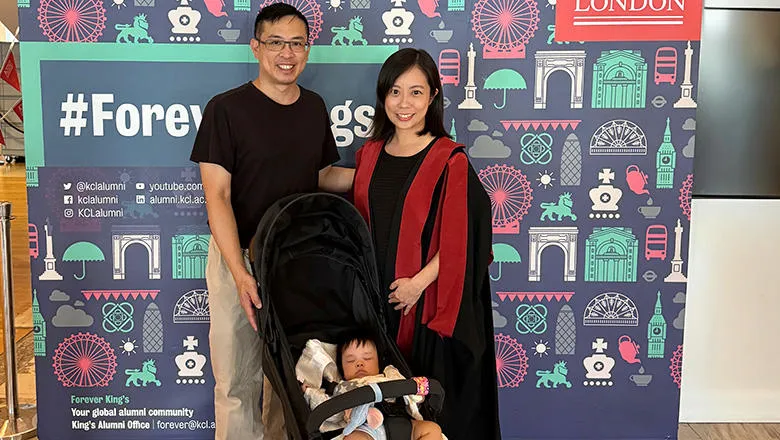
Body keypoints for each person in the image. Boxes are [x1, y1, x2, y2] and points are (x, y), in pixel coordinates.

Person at [190, 3, 352, 439]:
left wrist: (385, 174)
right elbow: (217, 196)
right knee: (237, 381)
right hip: (236, 258)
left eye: (297, 43)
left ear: (307, 49)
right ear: (256, 47)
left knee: (289, 380)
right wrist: (240, 273)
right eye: (276, 42)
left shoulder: (314, 108)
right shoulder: (226, 110)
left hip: (295, 263)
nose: (287, 53)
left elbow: (322, 176)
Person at [350, 48, 502, 439]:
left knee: (430, 408)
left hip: (428, 305)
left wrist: (418, 284)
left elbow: (467, 236)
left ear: (433, 96)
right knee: (380, 412)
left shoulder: (449, 159)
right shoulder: (369, 155)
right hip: (379, 301)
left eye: (416, 92)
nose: (404, 103)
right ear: (383, 96)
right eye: (395, 91)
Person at [300, 329, 443, 440]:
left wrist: (417, 394)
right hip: (366, 430)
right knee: (352, 438)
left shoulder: (389, 375)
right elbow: (330, 411)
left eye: (367, 358)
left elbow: (409, 391)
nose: (360, 363)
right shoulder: (343, 387)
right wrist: (311, 393)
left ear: (379, 362)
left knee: (432, 429)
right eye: (351, 361)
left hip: (403, 422)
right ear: (342, 369)